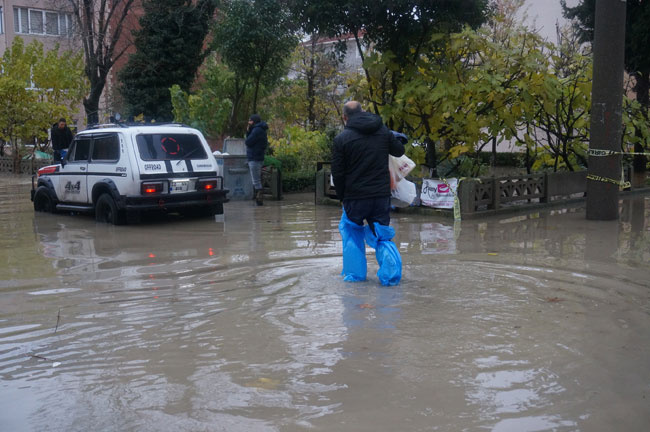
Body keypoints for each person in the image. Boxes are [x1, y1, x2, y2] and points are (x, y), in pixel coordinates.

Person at [331, 101, 405, 286]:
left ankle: (355, 280)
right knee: (382, 235)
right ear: (362, 111)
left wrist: (342, 197)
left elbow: (338, 174)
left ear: (345, 117)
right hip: (380, 196)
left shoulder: (342, 139)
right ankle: (391, 279)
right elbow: (399, 150)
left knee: (352, 235)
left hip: (354, 198)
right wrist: (391, 136)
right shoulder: (382, 131)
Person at [245, 114, 269, 206]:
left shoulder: (256, 130)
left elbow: (248, 142)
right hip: (258, 157)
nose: (248, 122)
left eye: (250, 121)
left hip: (254, 157)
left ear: (254, 122)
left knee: (256, 180)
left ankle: (259, 199)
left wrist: (248, 132)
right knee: (257, 178)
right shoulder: (261, 130)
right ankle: (258, 198)